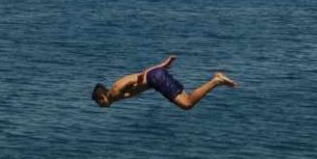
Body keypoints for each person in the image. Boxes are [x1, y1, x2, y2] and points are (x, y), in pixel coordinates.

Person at [92, 55, 237, 110]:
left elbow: (140, 77)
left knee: (187, 104)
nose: (100, 106)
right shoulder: (115, 95)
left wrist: (160, 68)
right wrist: (162, 67)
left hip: (155, 79)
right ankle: (216, 81)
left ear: (102, 97)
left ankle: (216, 80)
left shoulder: (116, 90)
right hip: (156, 78)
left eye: (99, 103)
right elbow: (141, 77)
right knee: (187, 101)